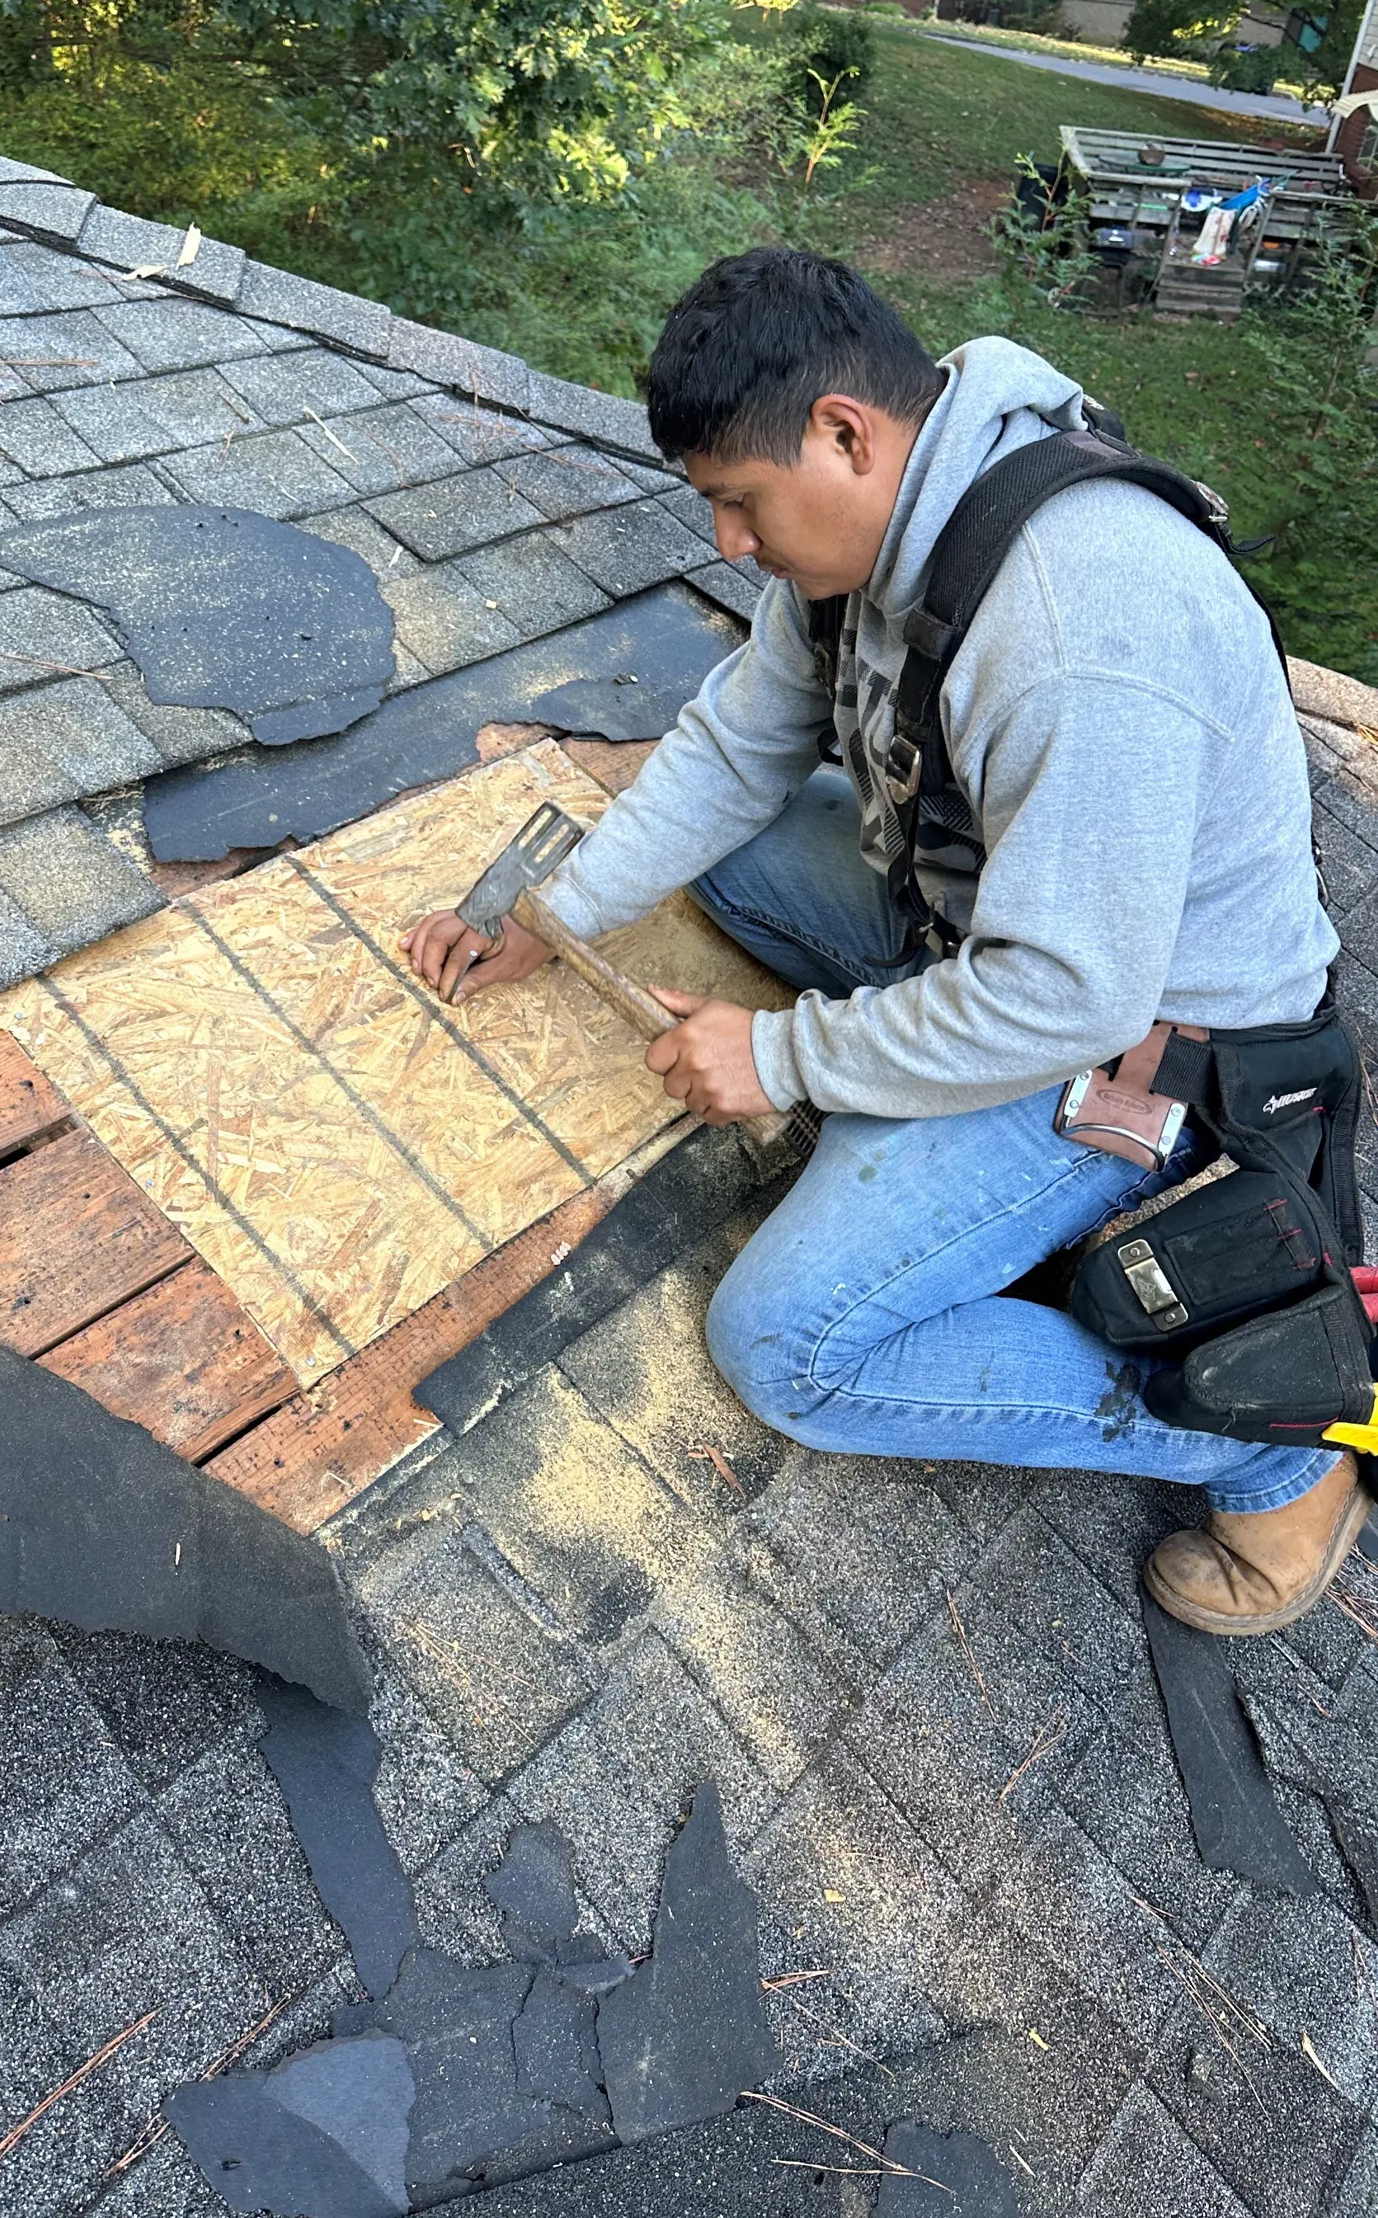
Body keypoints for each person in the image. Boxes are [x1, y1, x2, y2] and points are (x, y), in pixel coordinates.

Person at [402, 247, 1366, 1637]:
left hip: (1135, 1049)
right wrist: (561, 916)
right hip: (984, 931)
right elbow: (745, 740)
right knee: (730, 843)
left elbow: (1059, 995)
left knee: (785, 1344)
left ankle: (1266, 1450)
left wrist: (789, 1058)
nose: (730, 543)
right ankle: (896, 1076)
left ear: (846, 434)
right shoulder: (886, 513)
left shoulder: (1077, 625)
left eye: (742, 504)